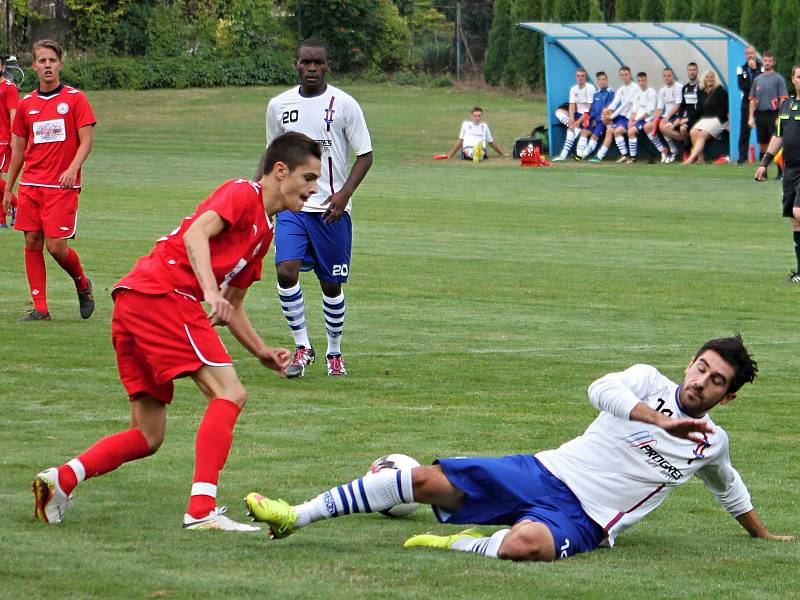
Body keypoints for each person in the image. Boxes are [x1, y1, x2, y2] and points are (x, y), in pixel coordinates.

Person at [244, 335, 793, 561]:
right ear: (688, 364)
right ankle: (298, 513)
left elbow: (731, 488)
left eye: (716, 380)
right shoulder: (646, 379)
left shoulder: (712, 444)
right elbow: (600, 390)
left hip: (588, 520)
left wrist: (763, 534)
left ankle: (458, 543)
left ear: (730, 395)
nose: (702, 381)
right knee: (423, 480)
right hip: (544, 471)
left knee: (525, 546)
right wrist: (658, 422)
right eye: (701, 367)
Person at [31, 132, 321, 531]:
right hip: (163, 294)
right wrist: (206, 292)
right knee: (230, 392)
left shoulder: (266, 232)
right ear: (280, 171)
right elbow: (195, 234)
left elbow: (232, 303)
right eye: (308, 177)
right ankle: (201, 511)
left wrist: (261, 352)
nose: (313, 188)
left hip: (135, 299)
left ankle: (60, 479)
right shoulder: (242, 193)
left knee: (148, 435)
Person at [266, 39, 373, 378]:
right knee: (286, 271)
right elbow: (272, 156)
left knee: (331, 285)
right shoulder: (279, 105)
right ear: (296, 65)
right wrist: (261, 196)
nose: (311, 68)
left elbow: (365, 154)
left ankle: (334, 352)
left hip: (331, 210)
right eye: (305, 62)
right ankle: (302, 346)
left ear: (328, 65)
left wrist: (343, 194)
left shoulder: (344, 104)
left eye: (318, 63)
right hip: (291, 207)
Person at [1, 40, 95, 321]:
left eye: (52, 60)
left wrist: (72, 169)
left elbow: (86, 141)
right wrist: (9, 188)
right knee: (32, 241)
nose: (47, 66)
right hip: (31, 185)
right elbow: (18, 150)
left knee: (56, 247)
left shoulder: (75, 99)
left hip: (62, 186)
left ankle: (82, 283)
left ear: (60, 65)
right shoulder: (27, 103)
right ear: (34, 66)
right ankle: (40, 308)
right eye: (42, 61)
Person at [755, 65, 800, 282]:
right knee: (795, 220)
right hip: (790, 171)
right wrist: (764, 163)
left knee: (799, 212)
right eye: (799, 77)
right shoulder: (786, 105)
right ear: (793, 79)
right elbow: (778, 137)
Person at [749, 52, 789, 179]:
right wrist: (750, 117)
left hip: (774, 115)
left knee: (776, 143)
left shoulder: (778, 79)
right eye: (765, 60)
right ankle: (763, 172)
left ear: (773, 62)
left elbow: (783, 98)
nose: (767, 63)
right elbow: (752, 99)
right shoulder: (757, 79)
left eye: (770, 60)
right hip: (760, 114)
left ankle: (780, 173)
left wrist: (780, 116)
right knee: (763, 144)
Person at [592, 66, 637, 162]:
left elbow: (625, 105)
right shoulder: (621, 89)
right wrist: (606, 112)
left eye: (626, 74)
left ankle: (629, 156)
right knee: (610, 128)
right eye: (622, 75)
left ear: (630, 75)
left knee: (617, 131)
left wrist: (611, 117)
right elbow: (615, 103)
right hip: (622, 118)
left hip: (631, 118)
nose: (624, 76)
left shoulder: (635, 87)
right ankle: (603, 156)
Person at [684, 70, 729, 165]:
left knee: (702, 134)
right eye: (707, 77)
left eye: (711, 77)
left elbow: (727, 109)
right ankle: (700, 160)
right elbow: (698, 110)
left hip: (718, 120)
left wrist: (729, 123)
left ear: (715, 78)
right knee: (693, 132)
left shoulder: (721, 91)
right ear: (704, 79)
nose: (709, 79)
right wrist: (687, 121)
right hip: (705, 120)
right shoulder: (701, 92)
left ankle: (691, 159)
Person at [552, 68, 595, 161]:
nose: (580, 78)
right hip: (577, 114)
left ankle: (571, 155)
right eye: (578, 76)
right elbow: (572, 104)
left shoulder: (590, 88)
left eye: (582, 76)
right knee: (559, 114)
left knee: (572, 130)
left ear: (585, 77)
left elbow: (588, 108)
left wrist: (578, 122)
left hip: (588, 116)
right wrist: (571, 118)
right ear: (576, 77)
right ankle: (563, 156)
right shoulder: (573, 89)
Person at [576, 71, 614, 160]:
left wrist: (597, 121)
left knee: (594, 136)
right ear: (597, 81)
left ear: (607, 80)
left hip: (603, 122)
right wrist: (590, 117)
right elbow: (593, 109)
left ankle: (582, 156)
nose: (602, 81)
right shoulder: (596, 94)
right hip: (594, 120)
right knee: (584, 132)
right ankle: (579, 154)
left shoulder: (610, 92)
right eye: (600, 80)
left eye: (604, 79)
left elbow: (608, 110)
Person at [665, 62, 701, 156]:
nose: (692, 72)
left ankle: (691, 150)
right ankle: (687, 148)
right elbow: (683, 106)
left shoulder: (701, 86)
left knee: (683, 129)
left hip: (699, 117)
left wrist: (687, 119)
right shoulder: (685, 88)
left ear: (697, 71)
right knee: (674, 128)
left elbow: (701, 106)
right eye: (690, 70)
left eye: (694, 70)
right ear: (687, 72)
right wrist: (681, 118)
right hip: (688, 118)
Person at [0, 54, 20, 227]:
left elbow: (14, 112)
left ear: (3, 68)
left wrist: (14, 137)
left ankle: (17, 205)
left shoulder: (8, 87)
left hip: (3, 140)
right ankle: (2, 219)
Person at [650, 67, 682, 163]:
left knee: (663, 126)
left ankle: (674, 149)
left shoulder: (679, 87)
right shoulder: (662, 90)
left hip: (677, 115)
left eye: (669, 75)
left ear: (673, 76)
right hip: (666, 116)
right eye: (665, 76)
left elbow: (678, 104)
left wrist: (667, 117)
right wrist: (654, 121)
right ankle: (665, 151)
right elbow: (659, 108)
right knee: (650, 126)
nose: (667, 78)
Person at [737, 46, 763, 165]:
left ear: (755, 53)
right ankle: (742, 158)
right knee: (744, 131)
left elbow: (762, 84)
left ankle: (765, 157)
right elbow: (742, 86)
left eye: (752, 53)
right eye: (747, 53)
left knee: (763, 130)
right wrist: (753, 86)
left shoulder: (761, 68)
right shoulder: (741, 69)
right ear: (745, 55)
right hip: (747, 103)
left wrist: (754, 71)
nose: (750, 55)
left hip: (762, 102)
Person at [625, 72, 657, 164]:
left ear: (646, 80)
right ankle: (633, 157)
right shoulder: (637, 94)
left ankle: (633, 157)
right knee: (630, 131)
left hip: (646, 119)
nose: (641, 83)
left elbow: (650, 112)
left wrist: (636, 121)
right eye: (639, 81)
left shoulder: (651, 92)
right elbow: (634, 110)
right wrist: (630, 121)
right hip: (638, 120)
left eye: (643, 80)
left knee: (632, 131)